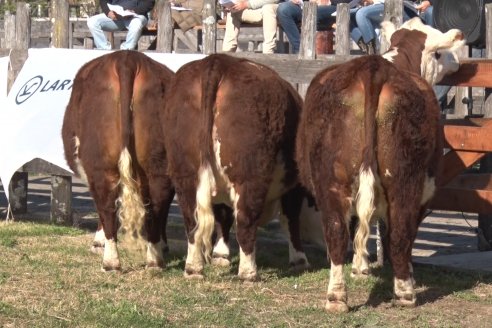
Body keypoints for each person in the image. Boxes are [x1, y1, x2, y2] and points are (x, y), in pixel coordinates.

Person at [277, 0, 351, 54]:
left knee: (311, 14)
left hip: (332, 5)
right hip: (303, 5)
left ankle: (303, 50)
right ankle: (299, 49)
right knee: (283, 9)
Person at [87, 0, 155, 50]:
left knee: (136, 25)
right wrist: (108, 12)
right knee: (92, 22)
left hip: (136, 16)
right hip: (116, 16)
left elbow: (149, 3)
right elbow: (103, 1)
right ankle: (104, 50)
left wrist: (134, 11)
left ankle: (125, 51)